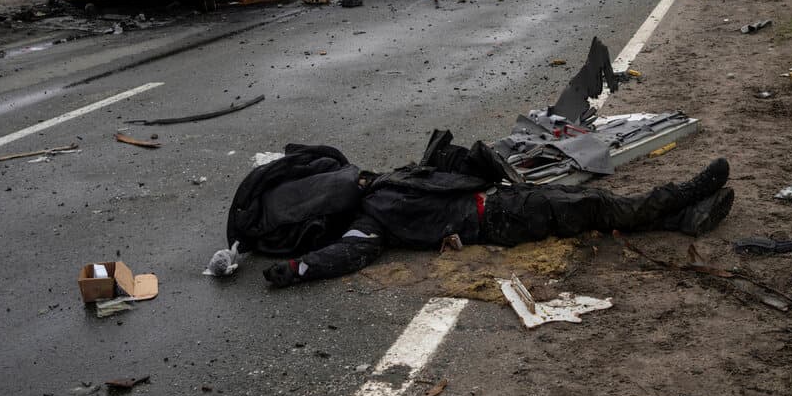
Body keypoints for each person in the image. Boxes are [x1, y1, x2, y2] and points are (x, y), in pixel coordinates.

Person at [226, 131, 733, 288]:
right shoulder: (369, 221)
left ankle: (682, 218)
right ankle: (682, 194)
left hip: (500, 201)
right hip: (501, 217)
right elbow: (344, 255)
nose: (354, 177)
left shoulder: (380, 183)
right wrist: (295, 269)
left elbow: (316, 158)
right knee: (597, 204)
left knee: (595, 208)